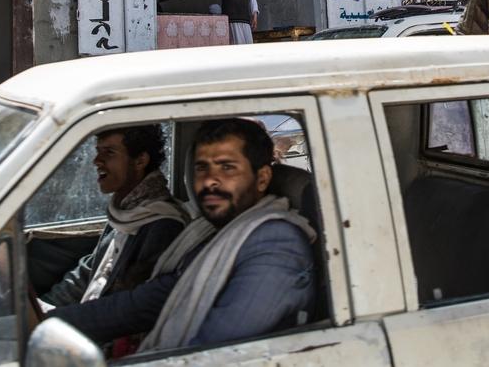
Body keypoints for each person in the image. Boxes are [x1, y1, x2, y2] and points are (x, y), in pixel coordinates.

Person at [50, 118, 315, 352]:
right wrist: (50, 325)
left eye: (227, 168)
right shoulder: (214, 234)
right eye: (202, 168)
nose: (210, 181)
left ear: (262, 178)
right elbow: (144, 302)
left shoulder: (277, 245)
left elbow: (213, 353)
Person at [40, 125, 187, 311]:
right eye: (97, 152)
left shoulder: (162, 226)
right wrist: (43, 308)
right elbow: (87, 274)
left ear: (140, 161)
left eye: (109, 153)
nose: (96, 161)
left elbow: (130, 307)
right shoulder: (123, 212)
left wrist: (62, 319)